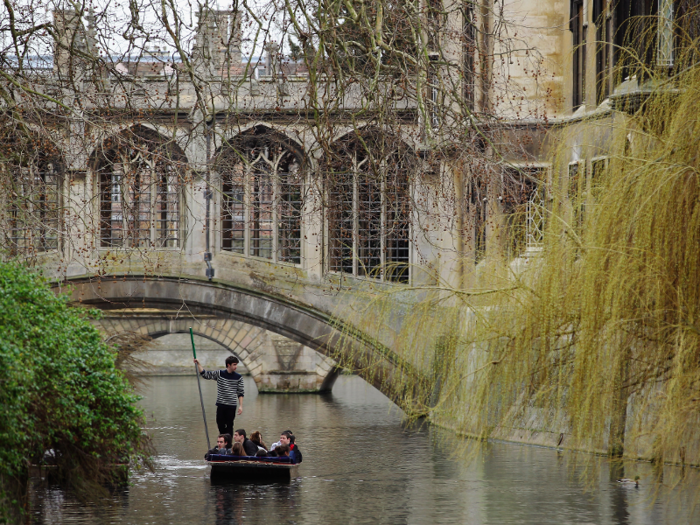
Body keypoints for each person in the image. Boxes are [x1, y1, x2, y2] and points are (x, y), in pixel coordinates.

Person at [194, 356, 245, 436]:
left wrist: (241, 406)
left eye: (236, 365)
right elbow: (205, 375)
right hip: (221, 405)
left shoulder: (238, 377)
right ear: (228, 365)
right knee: (220, 425)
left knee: (229, 426)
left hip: (231, 406)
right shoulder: (220, 374)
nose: (236, 367)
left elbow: (240, 392)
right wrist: (198, 364)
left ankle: (228, 445)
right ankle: (223, 442)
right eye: (234, 364)